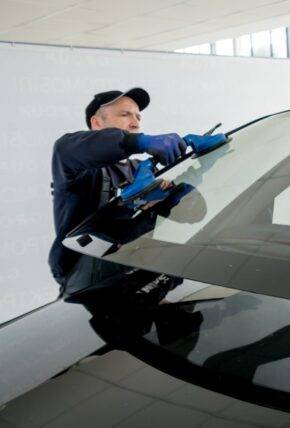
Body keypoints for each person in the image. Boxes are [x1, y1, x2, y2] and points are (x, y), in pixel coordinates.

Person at [49, 88, 220, 294]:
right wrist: (139, 142)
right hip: (91, 284)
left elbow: (195, 214)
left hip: (138, 273)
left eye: (138, 116)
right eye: (125, 114)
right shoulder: (80, 170)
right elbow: (65, 149)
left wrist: (185, 183)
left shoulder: (141, 170)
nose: (135, 122)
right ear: (96, 123)